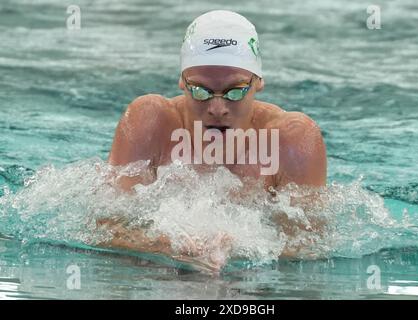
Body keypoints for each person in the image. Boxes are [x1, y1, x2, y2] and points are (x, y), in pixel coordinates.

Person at [100, 10, 327, 271]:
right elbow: (106, 226)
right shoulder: (150, 122)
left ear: (258, 82)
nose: (217, 108)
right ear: (182, 83)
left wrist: (242, 249)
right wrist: (164, 247)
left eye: (235, 91)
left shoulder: (292, 139)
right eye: (201, 91)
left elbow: (311, 248)